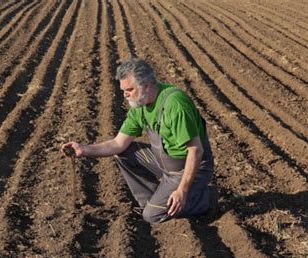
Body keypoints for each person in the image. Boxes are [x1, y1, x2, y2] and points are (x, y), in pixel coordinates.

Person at [62, 58, 215, 224]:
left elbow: (195, 150)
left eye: (129, 89)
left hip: (189, 168)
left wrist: (182, 191)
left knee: (152, 216)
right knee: (123, 153)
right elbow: (118, 143)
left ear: (146, 85)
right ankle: (156, 200)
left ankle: (205, 198)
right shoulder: (139, 105)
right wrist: (84, 149)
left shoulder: (174, 104)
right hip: (164, 165)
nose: (125, 94)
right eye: (123, 90)